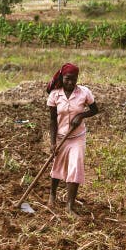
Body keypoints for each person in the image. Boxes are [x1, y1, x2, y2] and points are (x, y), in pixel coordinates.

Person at [46, 63, 99, 216]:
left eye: (73, 80)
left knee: (75, 167)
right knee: (58, 166)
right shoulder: (55, 95)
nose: (70, 83)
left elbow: (95, 110)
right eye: (67, 79)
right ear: (62, 77)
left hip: (77, 137)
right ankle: (52, 194)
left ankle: (70, 206)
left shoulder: (84, 92)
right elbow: (52, 120)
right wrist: (53, 143)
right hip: (61, 136)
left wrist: (81, 115)